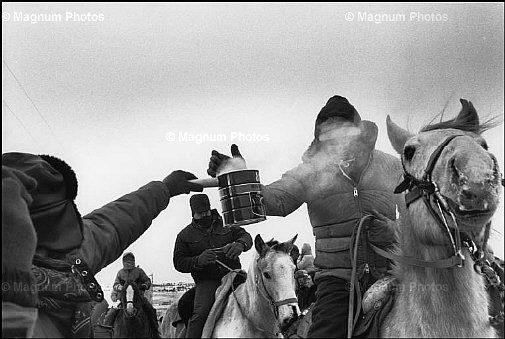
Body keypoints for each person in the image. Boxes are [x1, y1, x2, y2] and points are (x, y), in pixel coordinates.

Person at [207, 95, 404, 338]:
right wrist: (238, 177)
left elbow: (417, 219)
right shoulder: (311, 172)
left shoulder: (392, 166)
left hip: (392, 273)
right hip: (338, 282)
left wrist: (393, 230)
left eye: (344, 131)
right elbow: (275, 199)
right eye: (328, 134)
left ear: (358, 131)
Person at [1, 152, 203, 338]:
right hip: (119, 300)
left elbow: (114, 222)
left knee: (149, 312)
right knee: (109, 316)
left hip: (136, 297)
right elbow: (112, 224)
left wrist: (164, 189)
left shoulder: (73, 247)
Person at [173, 193, 253, 338]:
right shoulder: (184, 236)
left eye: (206, 212)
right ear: (193, 213)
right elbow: (178, 262)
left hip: (235, 275)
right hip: (207, 281)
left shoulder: (228, 224)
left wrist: (240, 244)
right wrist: (198, 261)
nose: (204, 215)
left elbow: (246, 236)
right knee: (202, 312)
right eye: (200, 213)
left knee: (260, 296)